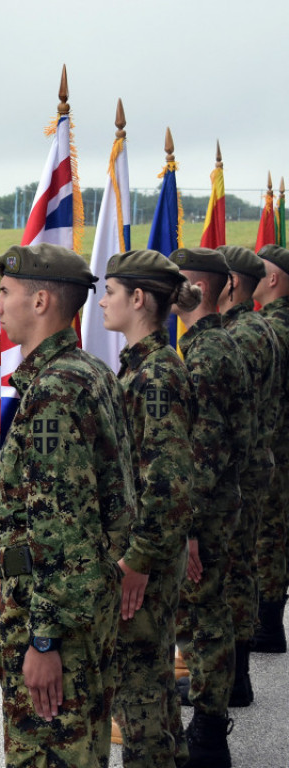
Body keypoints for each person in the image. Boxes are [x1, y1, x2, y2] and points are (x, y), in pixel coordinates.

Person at [0, 243, 133, 767]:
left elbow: (61, 528)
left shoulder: (54, 392)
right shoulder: (90, 372)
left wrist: (44, 641)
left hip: (53, 625)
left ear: (42, 300)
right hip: (81, 610)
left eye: (5, 293)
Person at [99, 250, 198, 768]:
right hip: (148, 550)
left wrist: (137, 561)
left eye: (110, 292)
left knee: (140, 701)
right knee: (152, 692)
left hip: (147, 558)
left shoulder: (156, 376)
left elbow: (169, 481)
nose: (101, 302)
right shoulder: (142, 367)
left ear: (138, 299)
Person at [170, 247, 249, 766]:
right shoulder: (210, 345)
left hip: (208, 511)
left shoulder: (206, 354)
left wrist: (190, 529)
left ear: (192, 286)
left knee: (206, 618)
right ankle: (209, 711)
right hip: (219, 505)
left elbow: (205, 449)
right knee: (205, 615)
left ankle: (209, 730)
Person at [215, 243, 280, 706]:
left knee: (233, 571)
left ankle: (231, 681)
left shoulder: (242, 336)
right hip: (255, 464)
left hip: (241, 469)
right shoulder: (252, 328)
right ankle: (234, 676)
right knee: (243, 565)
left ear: (231, 284)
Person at [253, 243, 289, 654]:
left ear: (274, 279)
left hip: (274, 444)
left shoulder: (274, 328)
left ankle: (266, 624)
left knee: (268, 534)